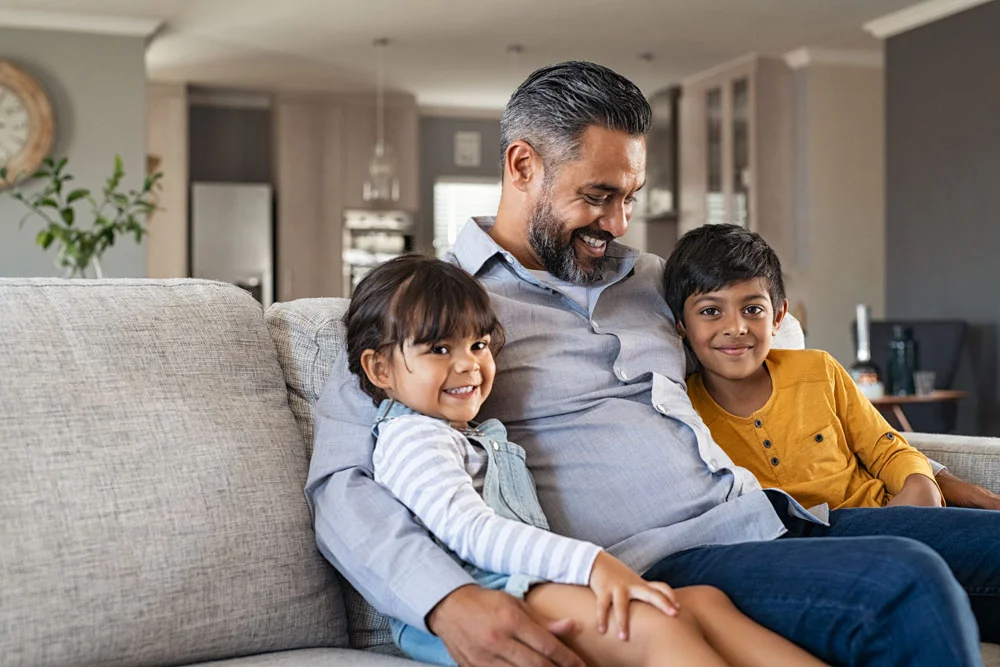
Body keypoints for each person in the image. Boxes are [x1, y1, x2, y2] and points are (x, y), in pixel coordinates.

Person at [308, 61, 1000, 667]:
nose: (618, 223)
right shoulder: (424, 314)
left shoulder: (658, 281)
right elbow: (341, 485)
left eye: (630, 197)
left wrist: (920, 466)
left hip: (776, 516)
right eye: (599, 195)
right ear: (522, 166)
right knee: (904, 582)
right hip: (655, 562)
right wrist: (444, 598)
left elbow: (774, 367)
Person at [342, 253, 826, 667]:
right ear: (379, 367)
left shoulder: (464, 432)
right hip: (485, 593)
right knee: (658, 625)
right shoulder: (411, 439)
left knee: (706, 602)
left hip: (527, 580)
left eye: (479, 345)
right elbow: (472, 532)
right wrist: (593, 563)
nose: (468, 364)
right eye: (440, 349)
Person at [663, 222, 961, 511]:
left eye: (753, 310)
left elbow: (886, 449)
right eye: (711, 311)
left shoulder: (819, 370)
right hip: (807, 544)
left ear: (778, 317)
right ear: (682, 325)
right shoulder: (683, 411)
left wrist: (919, 482)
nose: (736, 327)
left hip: (885, 513)